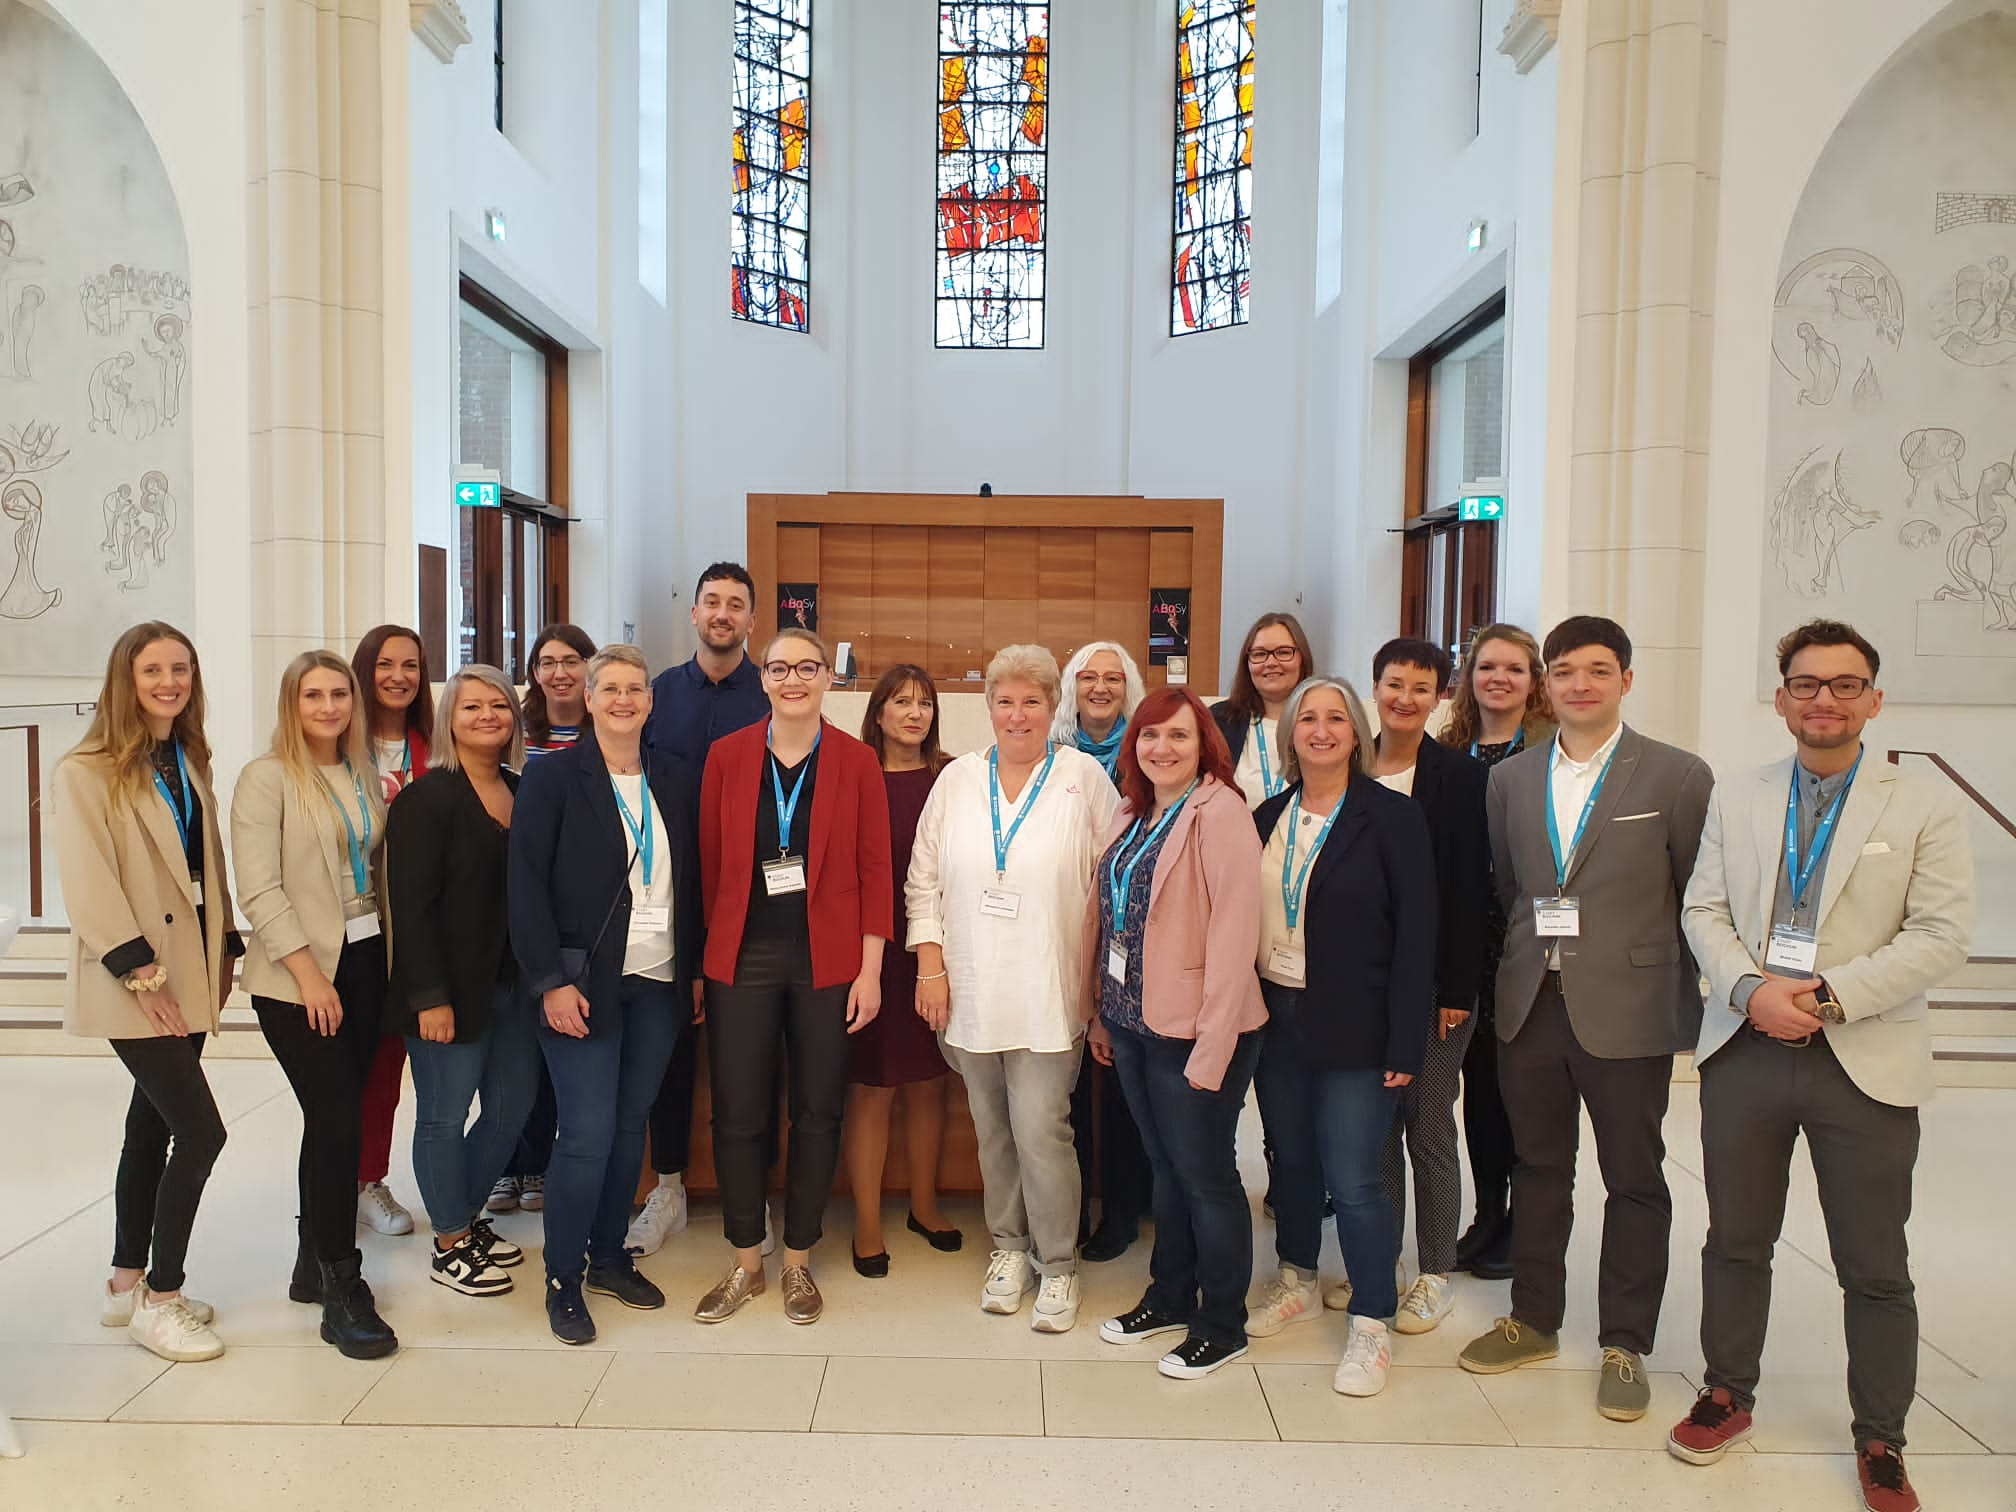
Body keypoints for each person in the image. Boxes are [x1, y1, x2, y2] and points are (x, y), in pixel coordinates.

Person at [1670, 620, 1972, 1512]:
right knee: (1736, 1240)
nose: (1824, 700)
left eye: (1844, 685)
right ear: (1781, 699)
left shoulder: (1921, 803)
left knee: (1874, 1261)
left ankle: (1881, 1436)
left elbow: (1942, 934)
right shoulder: (1741, 793)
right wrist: (1750, 990)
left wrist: (1829, 997)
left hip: (1863, 1059)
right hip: (1748, 1049)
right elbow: (1704, 909)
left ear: (1874, 700)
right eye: (1806, 684)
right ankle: (1728, 1392)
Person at [1456, 615, 1713, 1423]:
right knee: (1538, 1169)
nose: (1578, 686)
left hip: (1628, 1009)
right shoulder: (1511, 780)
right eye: (1563, 671)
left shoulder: (1676, 777)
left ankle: (1625, 1344)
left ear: (1626, 681)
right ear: (1546, 684)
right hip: (1530, 1003)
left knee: (1633, 1179)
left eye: (1597, 671)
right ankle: (1533, 1317)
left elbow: (1696, 898)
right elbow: (1512, 894)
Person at [908, 645, 1122, 1335]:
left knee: (1041, 1130)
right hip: (968, 989)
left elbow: (1112, 883)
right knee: (992, 1130)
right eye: (1005, 700)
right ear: (988, 707)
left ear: (1052, 707)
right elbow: (923, 881)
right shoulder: (958, 780)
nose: (1018, 713)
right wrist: (931, 969)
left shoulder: (1082, 777)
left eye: (1033, 700)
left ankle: (1058, 1264)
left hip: (1048, 987)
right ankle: (1008, 1248)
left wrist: (1100, 990)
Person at [53, 622, 242, 1363]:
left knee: (150, 1130)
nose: (169, 682)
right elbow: (88, 883)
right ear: (124, 681)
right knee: (203, 1132)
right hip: (139, 980)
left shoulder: (185, 758)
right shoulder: (87, 769)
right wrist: (142, 975)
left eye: (182, 669)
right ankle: (162, 1302)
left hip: (191, 968)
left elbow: (205, 864)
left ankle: (124, 1284)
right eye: (153, 670)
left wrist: (225, 948)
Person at [1243, 676, 1435, 1398]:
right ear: (1290, 733)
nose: (1320, 730)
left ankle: (1372, 1319)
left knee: (1354, 1176)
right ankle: (1295, 1275)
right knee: (1290, 1158)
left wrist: (1404, 1045)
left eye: (1335, 719)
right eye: (1307, 719)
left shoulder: (1391, 818)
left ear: (1356, 733)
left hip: (1360, 1024)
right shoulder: (1265, 817)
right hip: (1278, 1016)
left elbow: (1419, 937)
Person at [693, 628, 890, 1325]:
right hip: (741, 956)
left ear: (827, 680)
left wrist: (870, 971)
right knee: (739, 1112)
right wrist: (706, 959)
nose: (794, 679)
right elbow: (712, 865)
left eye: (808, 667)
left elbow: (875, 871)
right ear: (763, 679)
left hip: (829, 960)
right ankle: (748, 1260)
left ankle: (799, 1261)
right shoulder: (726, 757)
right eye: (780, 668)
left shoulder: (858, 761)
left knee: (817, 1110)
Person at [509, 646, 702, 1344]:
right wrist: (549, 984)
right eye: (610, 688)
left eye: (636, 689)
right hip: (582, 985)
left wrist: (696, 973)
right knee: (586, 1132)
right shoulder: (554, 778)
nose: (624, 699)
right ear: (588, 699)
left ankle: (608, 1257)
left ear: (651, 702)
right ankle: (562, 1274)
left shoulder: (674, 778)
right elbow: (525, 888)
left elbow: (695, 883)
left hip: (658, 980)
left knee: (629, 1125)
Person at [1082, 688, 1265, 1379]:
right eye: (1151, 736)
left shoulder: (1221, 814)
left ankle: (1222, 1323)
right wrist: (1101, 1013)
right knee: (1166, 1170)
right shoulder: (1133, 810)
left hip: (1197, 1030)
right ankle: (1169, 1296)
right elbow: (1110, 920)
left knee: (1208, 1178)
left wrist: (1214, 1047)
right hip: (1132, 1022)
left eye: (1179, 737)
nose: (1163, 748)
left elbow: (1233, 936)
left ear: (1205, 746)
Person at [231, 650, 398, 1360]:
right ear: (290, 705)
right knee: (336, 1121)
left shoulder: (361, 772)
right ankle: (341, 1285)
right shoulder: (264, 779)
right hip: (300, 975)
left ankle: (310, 1261)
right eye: (313, 696)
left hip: (365, 962)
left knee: (335, 1122)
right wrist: (308, 974)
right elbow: (259, 889)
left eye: (339, 694)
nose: (328, 707)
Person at [385, 666, 541, 1298]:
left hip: (515, 986)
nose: (487, 716)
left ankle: (464, 1216)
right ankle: (449, 1239)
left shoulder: (522, 788)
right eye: (471, 706)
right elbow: (411, 906)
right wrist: (429, 997)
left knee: (512, 1109)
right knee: (444, 1117)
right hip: (446, 991)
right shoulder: (426, 799)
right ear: (449, 717)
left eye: (499, 705)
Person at [632, 563, 772, 1257]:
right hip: (667, 903)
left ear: (752, 620)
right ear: (693, 614)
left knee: (755, 1053)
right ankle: (669, 1186)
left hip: (755, 902)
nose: (722, 614)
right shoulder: (657, 697)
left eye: (735, 605)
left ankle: (759, 1193)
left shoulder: (771, 698)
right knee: (672, 1049)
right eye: (711, 602)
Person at [1366, 637, 1490, 1334]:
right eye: (1393, 684)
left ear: (1443, 695)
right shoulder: (1350, 763)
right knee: (1375, 1130)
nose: (1405, 698)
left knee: (1428, 1125)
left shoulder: (1459, 778)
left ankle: (1435, 1270)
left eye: (1421, 687)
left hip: (1436, 988)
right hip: (1366, 986)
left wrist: (1456, 991)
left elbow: (1472, 890)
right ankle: (1378, 1261)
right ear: (1375, 686)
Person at [1438, 623, 1554, 1280]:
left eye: (1514, 669)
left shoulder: (1550, 750)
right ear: (1470, 677)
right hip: (1463, 939)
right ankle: (1487, 1215)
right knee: (1478, 1089)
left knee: (1519, 1093)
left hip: (1523, 938)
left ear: (1533, 680)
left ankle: (1521, 1226)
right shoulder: (1449, 746)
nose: (1499, 679)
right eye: (1487, 668)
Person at [846, 665, 960, 1277]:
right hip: (869, 952)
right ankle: (866, 1223)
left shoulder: (953, 776)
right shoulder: (853, 772)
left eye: (924, 703)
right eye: (900, 702)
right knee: (870, 1087)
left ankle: (924, 1205)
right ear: (879, 712)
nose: (914, 714)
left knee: (930, 1080)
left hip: (935, 949)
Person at [488, 624, 596, 1219]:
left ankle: (546, 1165)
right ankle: (513, 1162)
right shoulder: (515, 736)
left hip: (576, 914)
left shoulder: (604, 733)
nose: (559, 672)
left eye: (571, 660)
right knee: (518, 1048)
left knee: (563, 1044)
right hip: (517, 902)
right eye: (546, 662)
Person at [1053, 641, 1153, 1261]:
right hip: (1065, 934)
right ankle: (1077, 1204)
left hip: (1129, 939)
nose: (1099, 687)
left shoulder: (1147, 751)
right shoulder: (1054, 755)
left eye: (1112, 678)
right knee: (1070, 1083)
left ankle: (1123, 1211)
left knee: (1121, 1081)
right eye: (1087, 677)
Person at [349, 623, 434, 1240]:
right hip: (352, 929)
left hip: (417, 931)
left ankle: (370, 1176)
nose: (398, 676)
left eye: (410, 664)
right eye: (385, 664)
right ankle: (342, 1181)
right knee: (347, 1070)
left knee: (391, 1065)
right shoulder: (335, 745)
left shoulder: (432, 746)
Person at [1210, 612, 1316, 813]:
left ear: (1302, 658)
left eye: (1283, 652)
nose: (1270, 662)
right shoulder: (1218, 721)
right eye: (1259, 654)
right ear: (1247, 662)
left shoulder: (1323, 725)